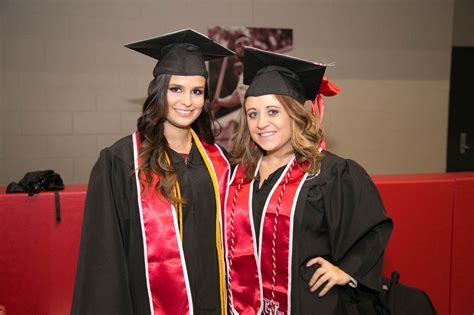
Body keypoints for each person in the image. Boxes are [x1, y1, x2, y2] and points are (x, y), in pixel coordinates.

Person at [71, 29, 234, 315]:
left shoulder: (221, 163)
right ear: (158, 91)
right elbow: (104, 260)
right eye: (176, 89)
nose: (187, 102)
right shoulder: (121, 162)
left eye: (196, 91)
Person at [224, 47, 393, 314]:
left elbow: (372, 230)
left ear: (295, 115)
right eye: (252, 113)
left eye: (273, 111)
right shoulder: (238, 175)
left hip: (309, 305)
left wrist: (346, 271)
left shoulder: (329, 173)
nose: (261, 123)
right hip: (243, 306)